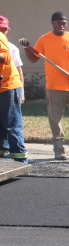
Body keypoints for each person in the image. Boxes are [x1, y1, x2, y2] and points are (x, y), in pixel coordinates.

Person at [22, 11, 69, 160]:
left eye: (64, 22)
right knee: (55, 118)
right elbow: (33, 60)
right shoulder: (44, 39)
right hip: (54, 86)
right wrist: (27, 48)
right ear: (53, 23)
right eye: (58, 22)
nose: (61, 25)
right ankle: (59, 149)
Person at [0, 16, 27, 163]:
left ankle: (20, 160)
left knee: (12, 125)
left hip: (9, 86)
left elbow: (7, 59)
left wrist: (21, 92)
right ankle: (3, 157)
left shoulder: (7, 45)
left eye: (4, 29)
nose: (2, 32)